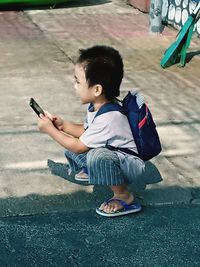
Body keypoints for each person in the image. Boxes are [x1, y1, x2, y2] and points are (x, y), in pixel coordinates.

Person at [37, 45, 145, 217]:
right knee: (72, 148)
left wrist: (50, 130)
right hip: (116, 156)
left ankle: (124, 195)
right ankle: (97, 170)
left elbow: (79, 145)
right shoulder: (97, 106)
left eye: (78, 81)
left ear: (96, 89)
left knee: (93, 156)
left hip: (129, 165)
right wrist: (62, 125)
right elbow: (86, 132)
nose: (75, 86)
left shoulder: (109, 117)